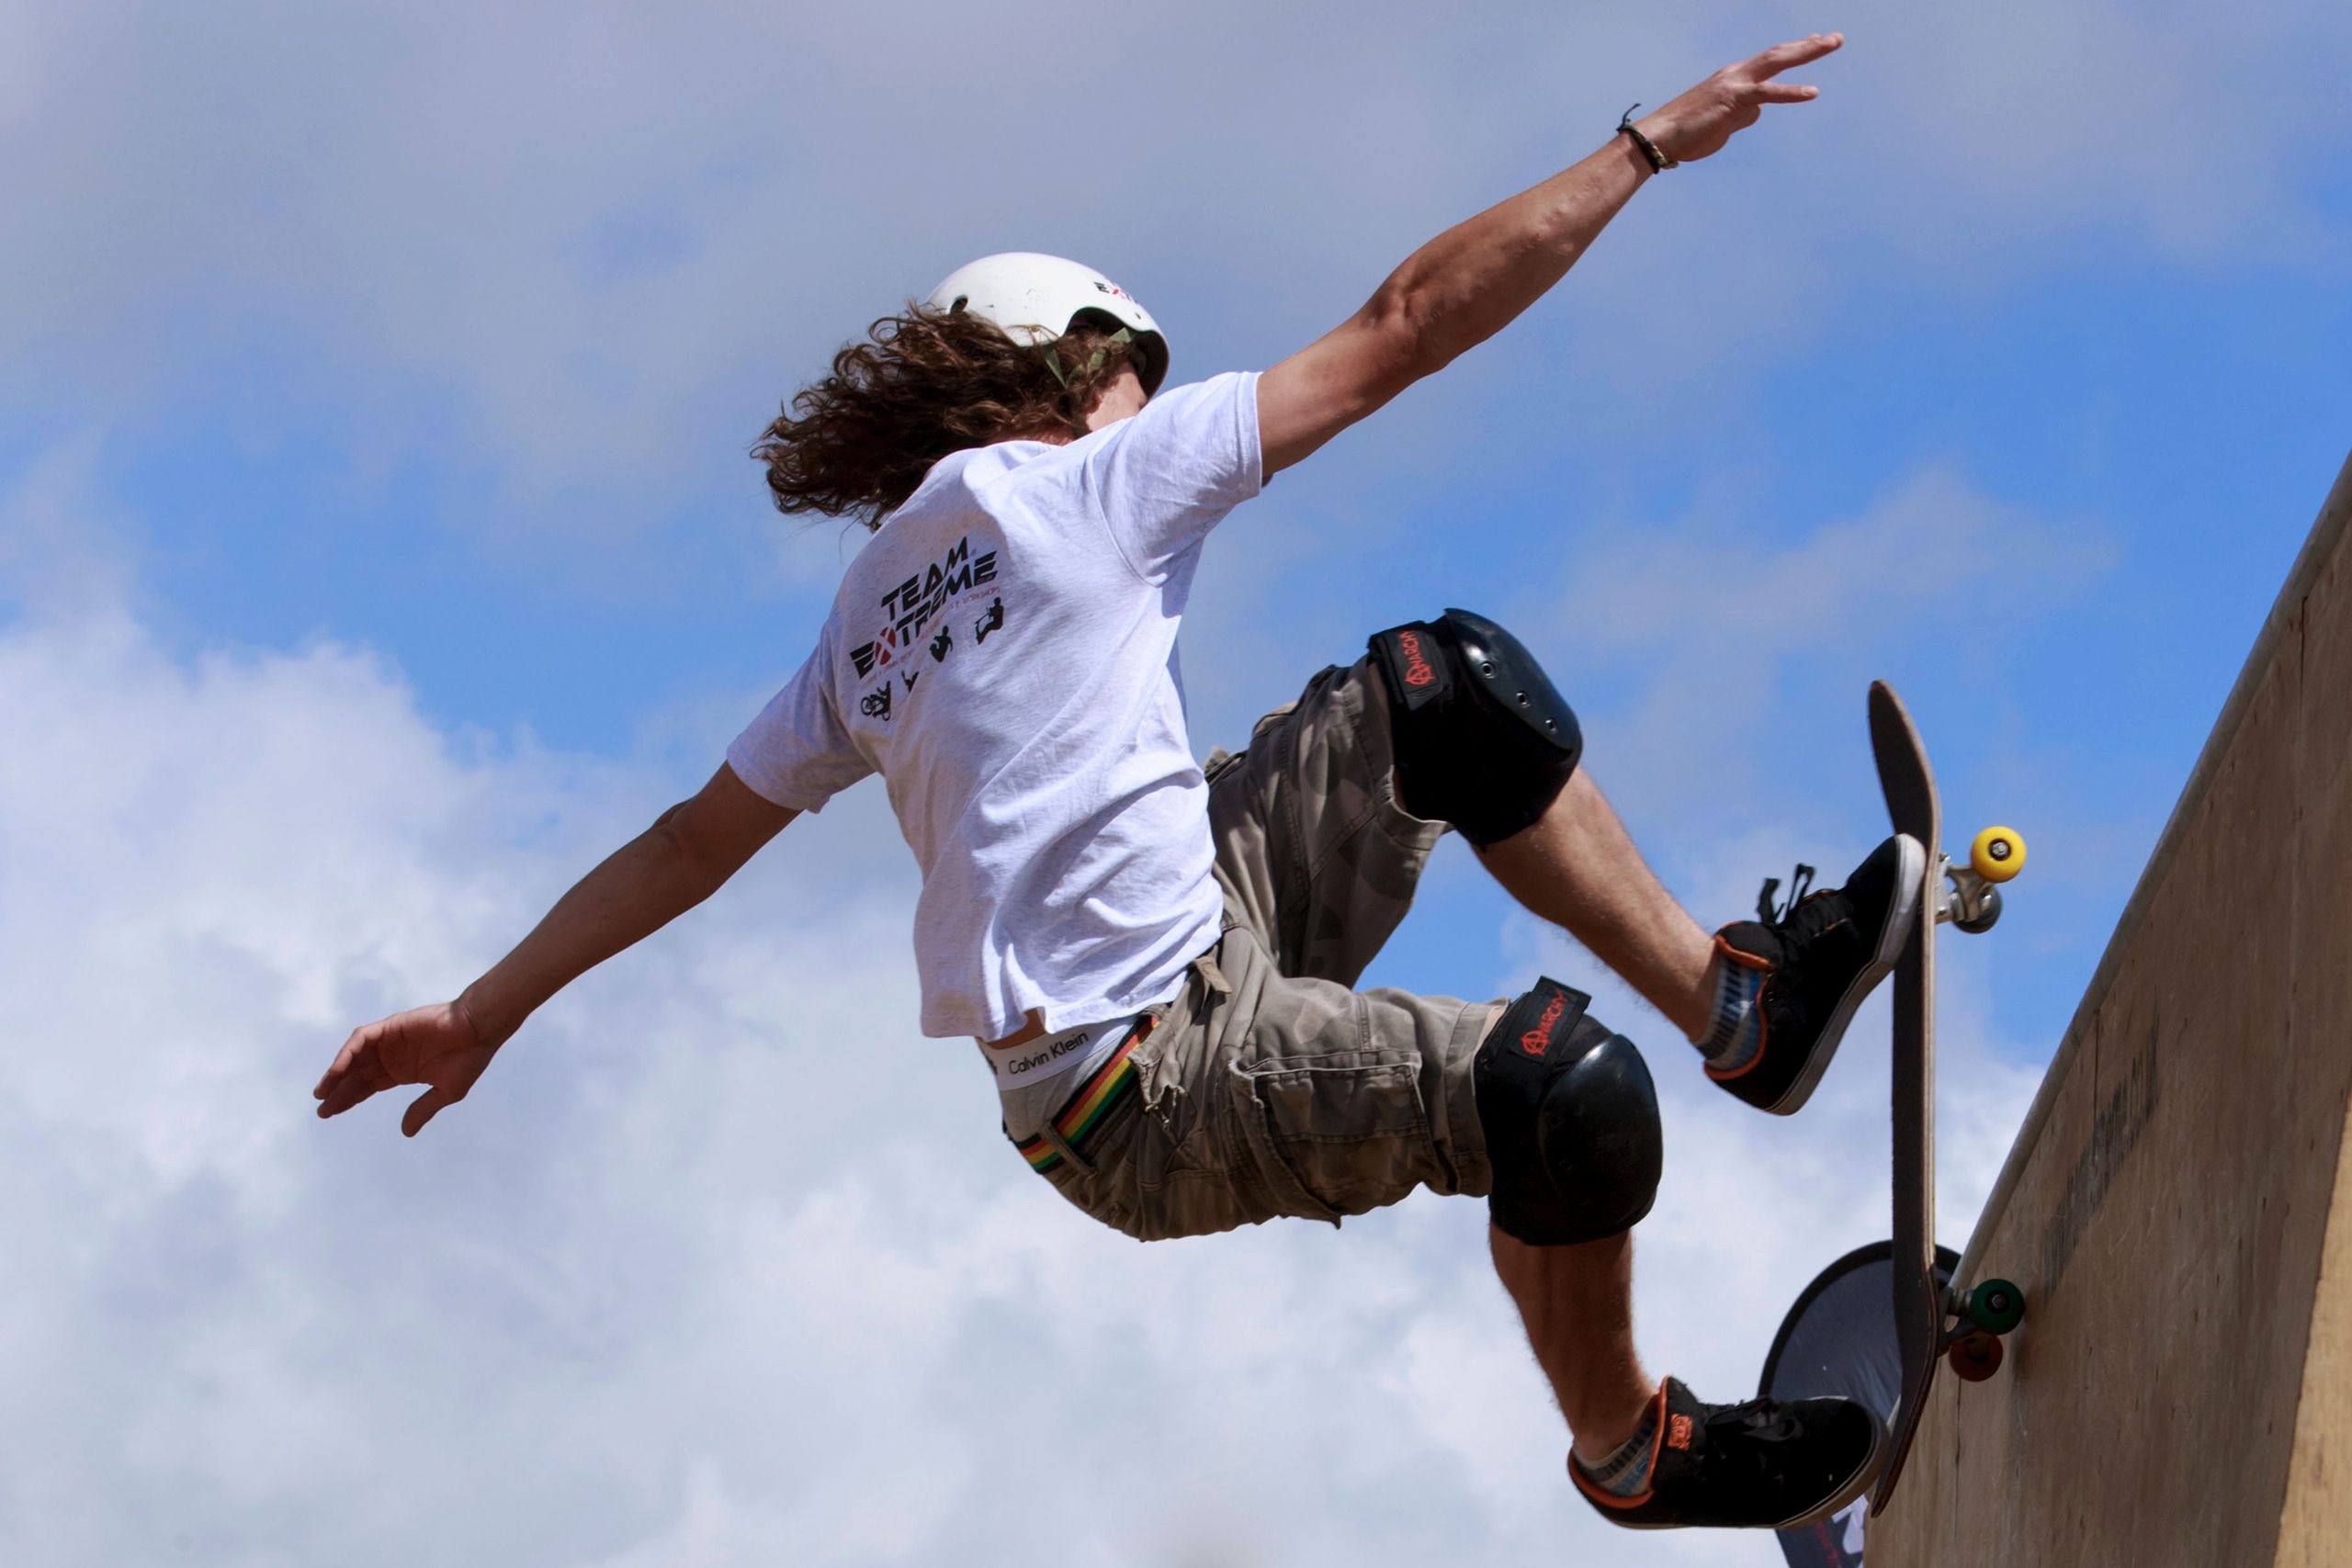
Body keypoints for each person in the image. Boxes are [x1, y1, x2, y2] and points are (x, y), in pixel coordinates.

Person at [316, 31, 1924, 1533]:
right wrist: (1641, 146)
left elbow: (687, 841)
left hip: (1200, 923)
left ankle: (1744, 1009)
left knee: (1440, 694)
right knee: (1561, 1095)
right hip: (1145, 1090)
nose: (1156, 403)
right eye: (1133, 372)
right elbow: (1409, 321)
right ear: (1061, 370)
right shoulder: (1086, 485)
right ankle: (1633, 1449)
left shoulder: (869, 615)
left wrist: (488, 1008)